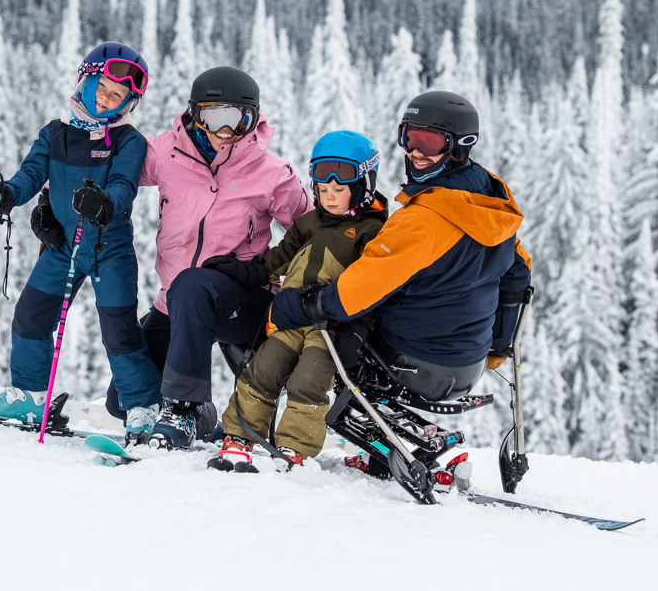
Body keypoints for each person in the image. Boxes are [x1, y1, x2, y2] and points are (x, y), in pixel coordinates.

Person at [268, 90, 532, 409]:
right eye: (409, 138)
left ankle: (292, 399)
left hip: (413, 362)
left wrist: (296, 305)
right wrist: (498, 346)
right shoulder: (489, 206)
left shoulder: (421, 220)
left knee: (340, 317)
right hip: (467, 366)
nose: (415, 152)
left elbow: (352, 295)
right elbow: (518, 272)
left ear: (460, 146)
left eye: (430, 142)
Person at [0, 42, 164, 438]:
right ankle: (31, 398)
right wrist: (5, 194)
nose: (106, 99)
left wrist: (104, 202)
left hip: (111, 251)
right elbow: (30, 176)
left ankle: (143, 407)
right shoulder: (55, 133)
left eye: (118, 96)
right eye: (103, 88)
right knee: (30, 317)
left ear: (128, 104)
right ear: (86, 80)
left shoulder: (129, 140)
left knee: (119, 329)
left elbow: (125, 185)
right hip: (62, 250)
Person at [117, 66, 310, 450]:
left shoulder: (270, 173)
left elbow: (311, 232)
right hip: (178, 301)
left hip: (243, 298)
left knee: (193, 282)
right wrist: (51, 195)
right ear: (194, 114)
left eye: (240, 119)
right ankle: (203, 415)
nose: (227, 132)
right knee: (127, 396)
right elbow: (109, 164)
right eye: (214, 117)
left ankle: (183, 409)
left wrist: (270, 273)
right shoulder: (166, 155)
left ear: (254, 118)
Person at [206, 130, 389, 473]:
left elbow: (372, 287)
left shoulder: (372, 232)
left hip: (330, 329)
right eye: (322, 190)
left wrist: (358, 331)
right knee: (262, 370)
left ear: (363, 186)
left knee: (309, 382)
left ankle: (294, 446)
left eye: (339, 190)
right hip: (291, 319)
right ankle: (240, 435)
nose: (330, 197)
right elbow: (276, 260)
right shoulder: (309, 223)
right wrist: (242, 271)